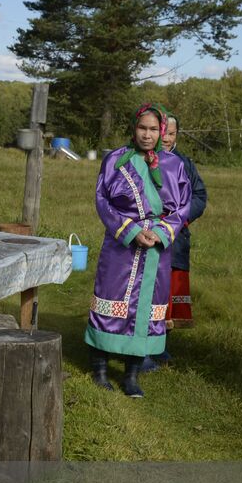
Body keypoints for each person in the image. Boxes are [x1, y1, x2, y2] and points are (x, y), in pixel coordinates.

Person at [87, 103, 193, 398]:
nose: (147, 135)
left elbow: (183, 206)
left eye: (152, 130)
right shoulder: (115, 161)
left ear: (161, 132)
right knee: (110, 304)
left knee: (145, 311)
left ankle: (132, 376)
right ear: (133, 129)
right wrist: (131, 231)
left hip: (157, 250)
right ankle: (100, 370)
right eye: (141, 128)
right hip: (120, 246)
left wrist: (160, 233)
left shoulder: (174, 165)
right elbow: (102, 200)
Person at [152, 111, 207, 363]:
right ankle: (139, 343)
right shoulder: (143, 159)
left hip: (175, 238)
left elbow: (199, 197)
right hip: (147, 233)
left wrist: (180, 219)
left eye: (171, 134)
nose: (166, 138)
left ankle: (161, 345)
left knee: (168, 294)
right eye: (163, 132)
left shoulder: (185, 164)